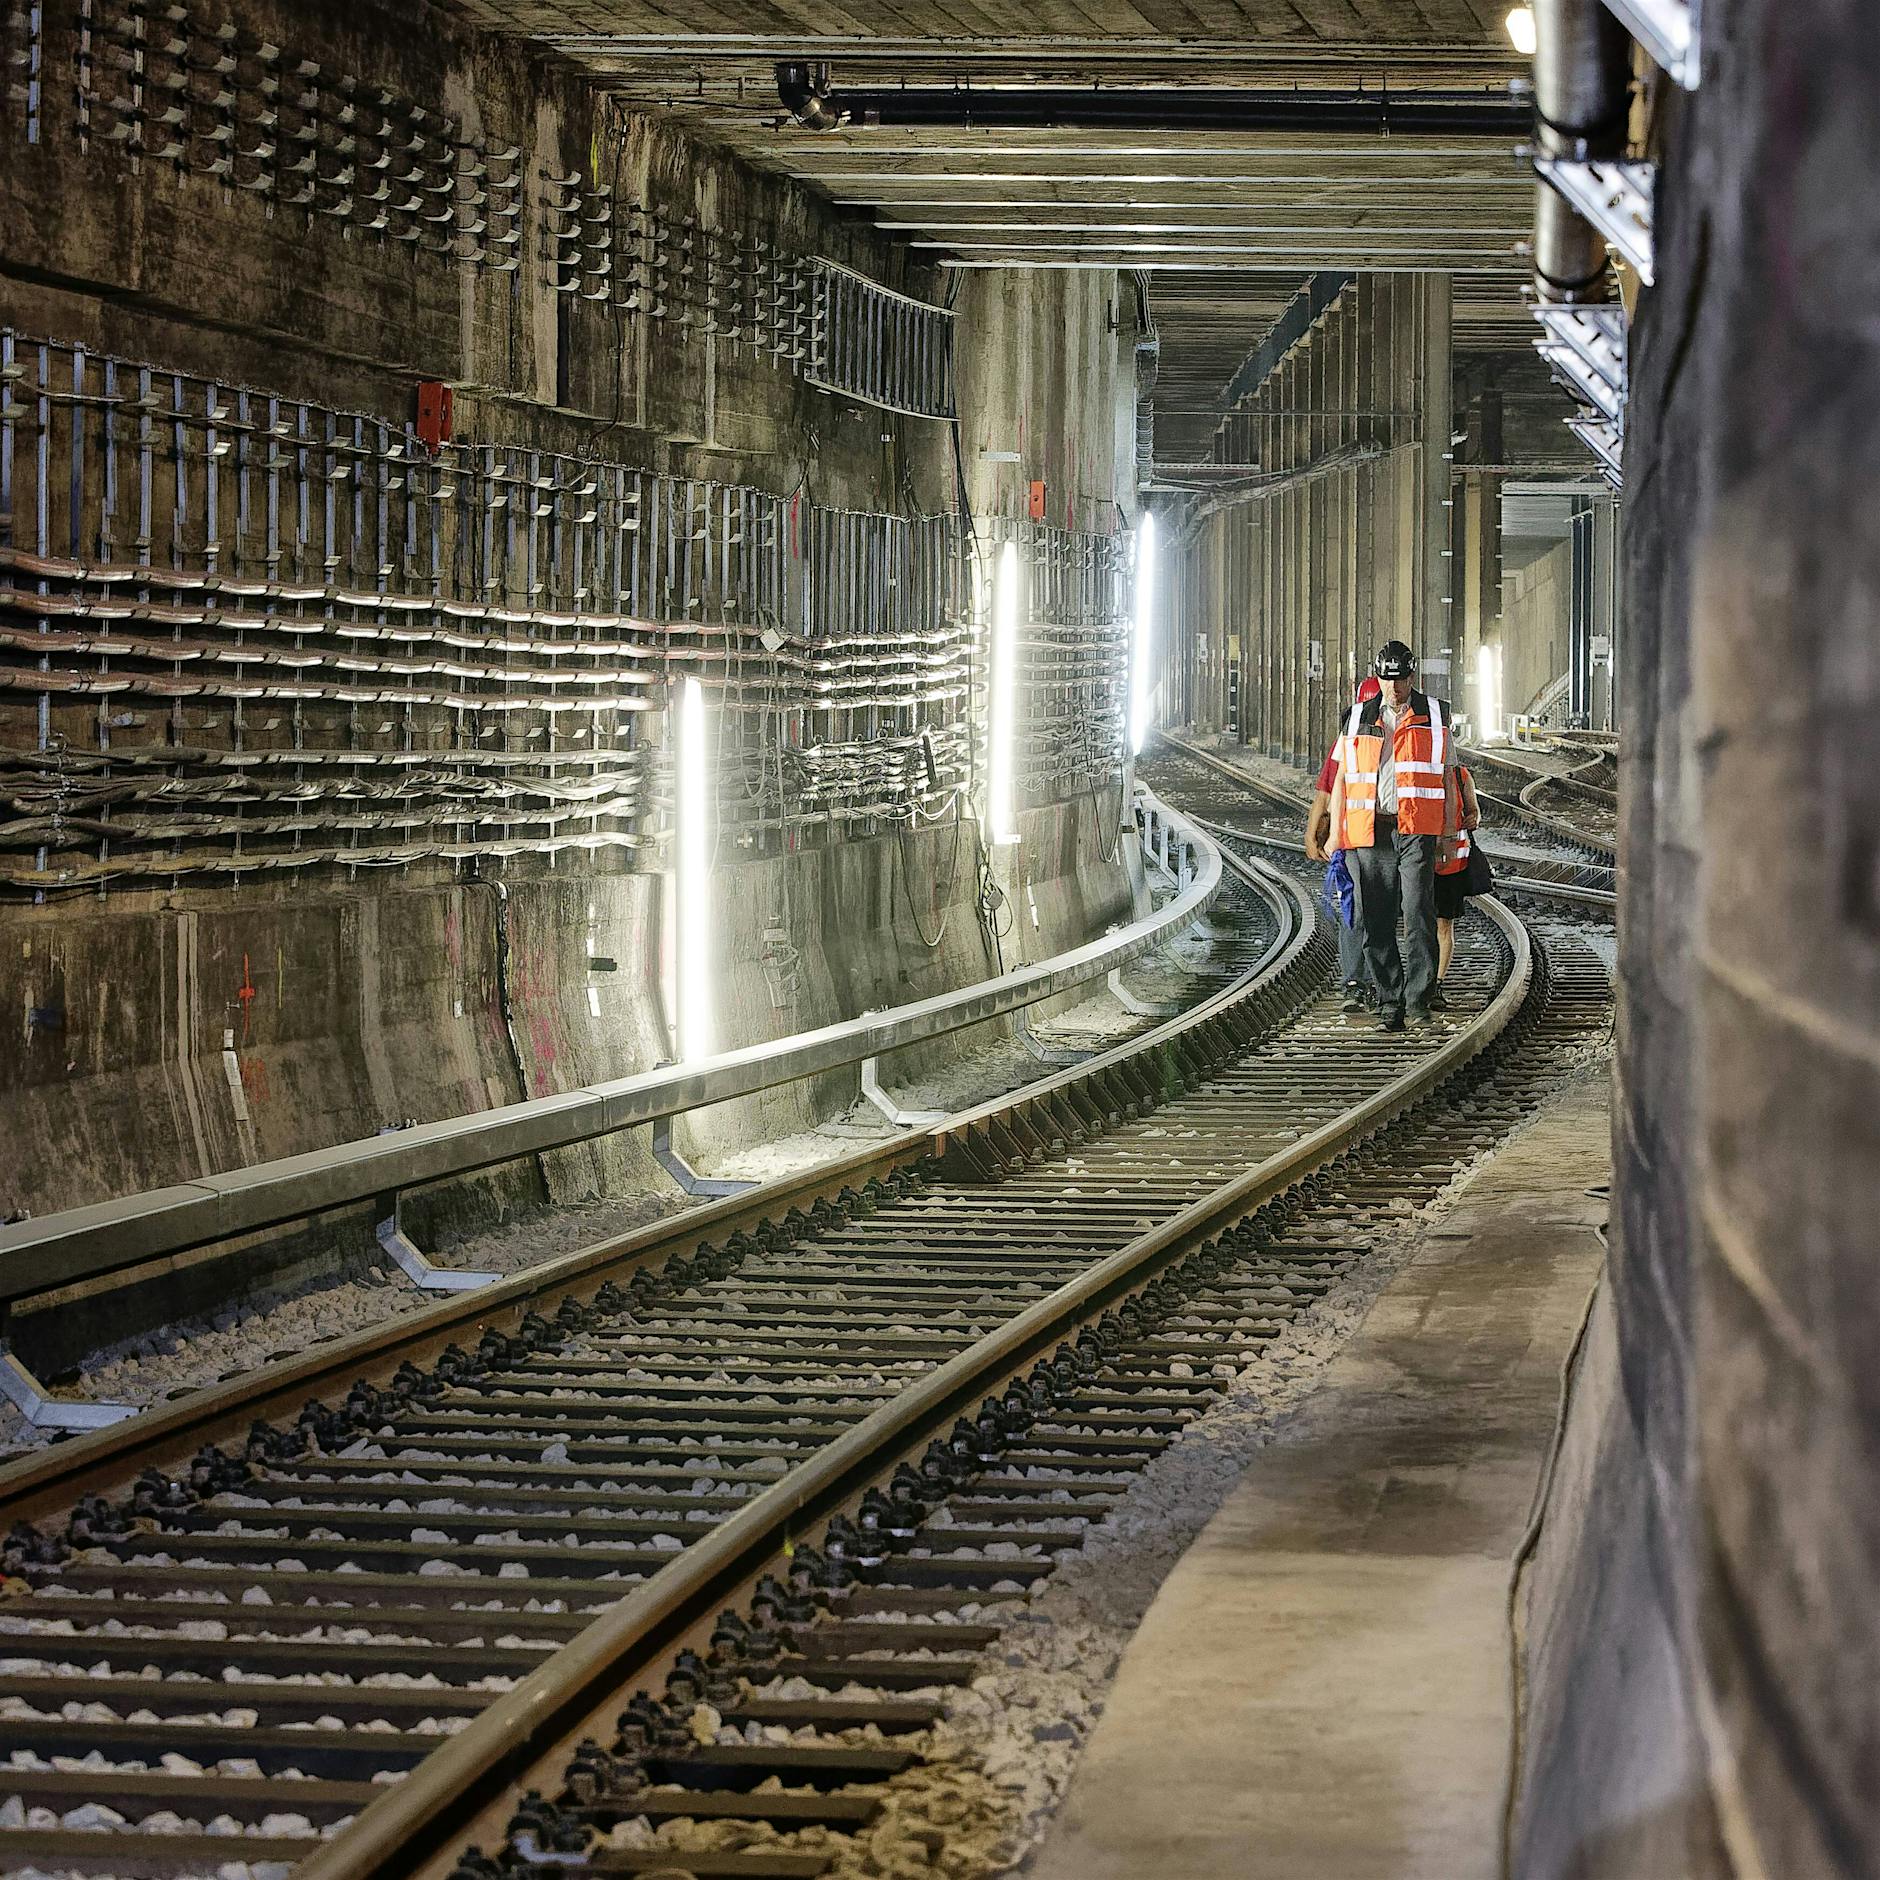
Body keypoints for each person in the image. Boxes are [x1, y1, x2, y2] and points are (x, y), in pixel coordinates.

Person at [1327, 640, 1459, 1031]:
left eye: (1400, 679)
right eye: (1387, 680)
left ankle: (1418, 1000)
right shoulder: (1357, 717)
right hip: (1373, 830)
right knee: (1377, 918)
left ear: (1411, 677)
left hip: (1417, 829)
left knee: (1418, 912)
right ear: (1378, 678)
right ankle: (1390, 1000)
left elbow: (1448, 777)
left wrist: (1448, 833)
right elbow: (1342, 780)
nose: (1394, 688)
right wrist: (1335, 833)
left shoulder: (1434, 715)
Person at [1305, 676, 1382, 1011]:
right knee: (1357, 910)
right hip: (1353, 840)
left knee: (1373, 912)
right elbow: (1328, 790)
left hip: (1383, 841)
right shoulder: (1348, 741)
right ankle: (1356, 980)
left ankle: (1376, 982)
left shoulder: (1398, 739)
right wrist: (1316, 834)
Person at [1432, 761, 1484, 1007]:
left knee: (1443, 925)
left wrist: (1473, 818)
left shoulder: (1460, 775)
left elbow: (1474, 812)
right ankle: (1423, 982)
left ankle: (1436, 984)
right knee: (1422, 926)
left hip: (1451, 863)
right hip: (1419, 861)